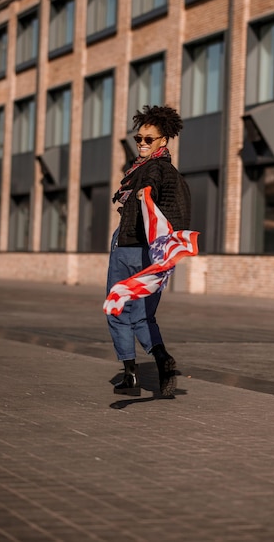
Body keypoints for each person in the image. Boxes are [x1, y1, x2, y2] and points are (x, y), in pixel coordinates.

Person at [106, 104, 191, 397]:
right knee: (143, 316)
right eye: (138, 139)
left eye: (148, 139)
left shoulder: (152, 169)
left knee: (117, 309)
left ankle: (131, 375)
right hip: (153, 251)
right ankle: (163, 362)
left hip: (130, 247)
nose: (142, 144)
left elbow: (151, 187)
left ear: (163, 141)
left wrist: (146, 194)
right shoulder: (172, 173)